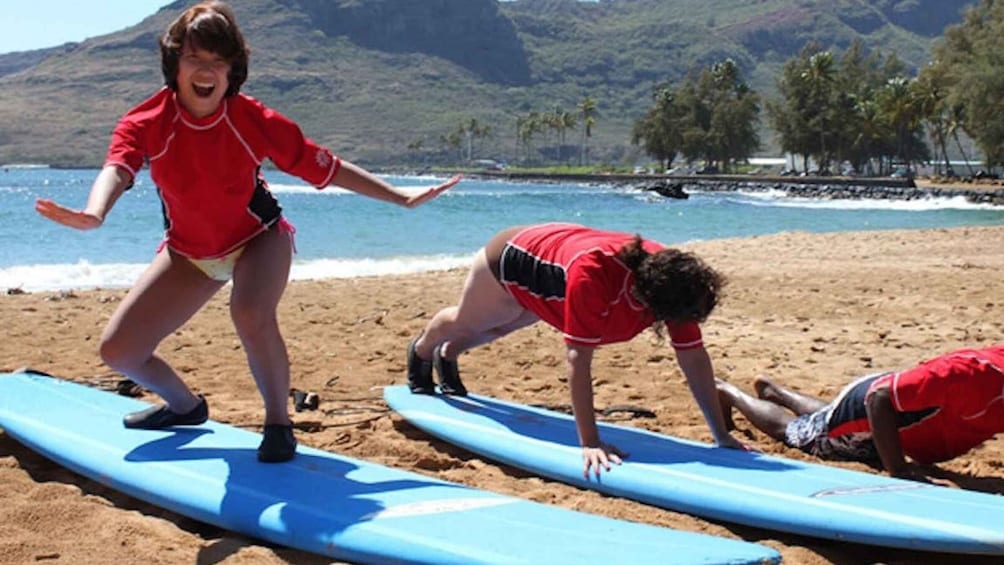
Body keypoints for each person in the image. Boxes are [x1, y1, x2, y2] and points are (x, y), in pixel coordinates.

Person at [34, 1, 457, 463]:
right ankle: (185, 407)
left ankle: (278, 423)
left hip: (260, 238)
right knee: (119, 351)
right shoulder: (146, 122)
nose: (206, 70)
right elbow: (119, 167)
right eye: (195, 58)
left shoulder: (251, 119)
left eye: (218, 62)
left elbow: (326, 166)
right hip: (189, 253)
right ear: (175, 64)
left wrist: (400, 197)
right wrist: (96, 213)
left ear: (232, 70)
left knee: (251, 313)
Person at [406, 222, 746, 477]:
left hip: (554, 263)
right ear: (647, 301)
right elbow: (578, 360)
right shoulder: (594, 277)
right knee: (474, 321)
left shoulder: (678, 283)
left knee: (505, 325)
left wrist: (721, 436)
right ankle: (423, 350)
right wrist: (589, 441)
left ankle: (447, 355)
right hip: (511, 257)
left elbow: (693, 357)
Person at [716, 345, 1004, 483]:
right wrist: (900, 471)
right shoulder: (971, 374)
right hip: (875, 404)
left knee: (826, 418)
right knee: (803, 435)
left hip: (897, 396)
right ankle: (729, 392)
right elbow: (879, 398)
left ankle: (774, 391)